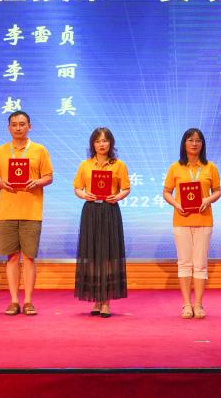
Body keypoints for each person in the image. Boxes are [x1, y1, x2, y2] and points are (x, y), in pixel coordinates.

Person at [0, 111, 53, 316]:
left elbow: (49, 177)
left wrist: (37, 182)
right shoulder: (0, 151)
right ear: (9, 128)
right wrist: (2, 183)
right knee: (12, 257)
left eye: (22, 124)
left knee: (29, 257)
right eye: (14, 124)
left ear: (29, 127)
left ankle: (29, 301)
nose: (18, 128)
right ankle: (14, 301)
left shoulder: (39, 150)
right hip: (7, 211)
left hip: (31, 211)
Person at [162, 128, 221, 319]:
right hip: (182, 220)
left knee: (200, 264)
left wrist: (208, 200)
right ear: (184, 144)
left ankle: (199, 304)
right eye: (190, 140)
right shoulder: (175, 167)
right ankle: (187, 304)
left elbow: (218, 191)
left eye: (198, 140)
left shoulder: (210, 167)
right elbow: (166, 192)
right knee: (184, 263)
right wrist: (176, 204)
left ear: (203, 144)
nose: (194, 143)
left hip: (204, 220)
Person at [72, 127, 131, 318]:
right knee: (92, 255)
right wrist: (84, 195)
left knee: (107, 255)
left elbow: (126, 188)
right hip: (90, 211)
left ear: (110, 143)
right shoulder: (85, 165)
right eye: (97, 141)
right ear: (93, 144)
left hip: (109, 211)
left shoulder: (119, 165)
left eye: (105, 140)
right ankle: (96, 300)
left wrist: (117, 196)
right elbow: (77, 188)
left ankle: (105, 302)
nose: (101, 144)